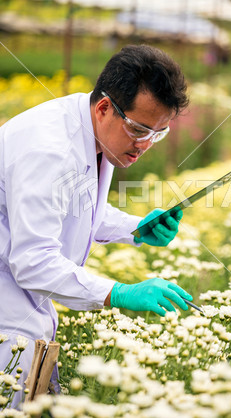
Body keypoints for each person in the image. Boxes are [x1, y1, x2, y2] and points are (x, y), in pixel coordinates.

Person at [0, 44, 193, 407]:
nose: (145, 145)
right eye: (139, 129)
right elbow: (33, 262)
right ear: (105, 107)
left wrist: (135, 228)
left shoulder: (89, 125)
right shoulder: (49, 149)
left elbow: (72, 207)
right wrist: (118, 292)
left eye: (158, 133)